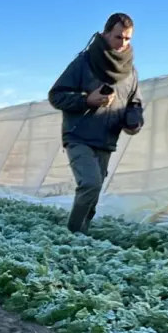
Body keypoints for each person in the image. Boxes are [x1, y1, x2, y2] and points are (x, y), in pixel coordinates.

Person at [48, 12, 144, 233]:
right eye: (118, 37)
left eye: (128, 39)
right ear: (105, 33)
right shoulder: (85, 62)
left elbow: (135, 103)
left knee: (95, 190)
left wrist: (133, 121)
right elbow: (56, 95)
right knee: (90, 183)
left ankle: (84, 234)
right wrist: (86, 100)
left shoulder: (130, 72)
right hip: (78, 135)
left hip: (106, 139)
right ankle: (72, 235)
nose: (123, 43)